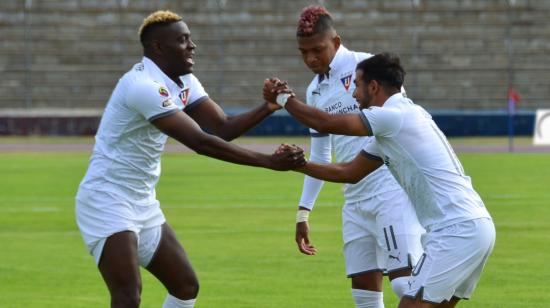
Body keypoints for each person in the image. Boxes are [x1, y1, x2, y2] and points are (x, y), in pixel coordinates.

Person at [75, 10, 304, 308]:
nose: (192, 46)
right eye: (183, 40)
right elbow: (200, 142)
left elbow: (221, 128)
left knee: (185, 286)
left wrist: (267, 107)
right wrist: (269, 162)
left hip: (142, 201)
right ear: (158, 48)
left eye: (190, 39)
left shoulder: (184, 81)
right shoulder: (143, 86)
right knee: (128, 296)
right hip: (106, 200)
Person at [265, 53, 495, 308]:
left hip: (456, 230)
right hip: (475, 227)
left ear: (373, 87)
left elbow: (325, 122)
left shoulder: (392, 115)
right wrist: (299, 165)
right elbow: (349, 173)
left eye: (357, 87)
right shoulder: (396, 124)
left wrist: (284, 98)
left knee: (409, 302)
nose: (353, 95)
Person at [288, 5, 424, 308]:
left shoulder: (367, 66)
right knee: (364, 297)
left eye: (318, 50)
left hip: (390, 190)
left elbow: (399, 115)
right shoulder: (314, 91)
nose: (311, 59)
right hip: (354, 199)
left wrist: (284, 100)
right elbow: (321, 153)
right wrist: (303, 211)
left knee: (405, 285)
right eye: (303, 52)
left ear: (336, 42)